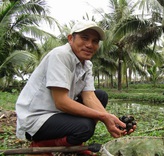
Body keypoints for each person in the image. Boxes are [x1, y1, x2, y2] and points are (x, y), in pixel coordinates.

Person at [15, 20, 136, 155]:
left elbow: (89, 96)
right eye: (84, 38)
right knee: (85, 128)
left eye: (95, 41)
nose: (90, 45)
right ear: (70, 38)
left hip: (56, 114)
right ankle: (40, 145)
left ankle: (75, 142)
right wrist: (103, 117)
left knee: (100, 96)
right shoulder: (61, 55)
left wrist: (111, 120)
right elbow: (61, 102)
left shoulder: (86, 64)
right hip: (36, 119)